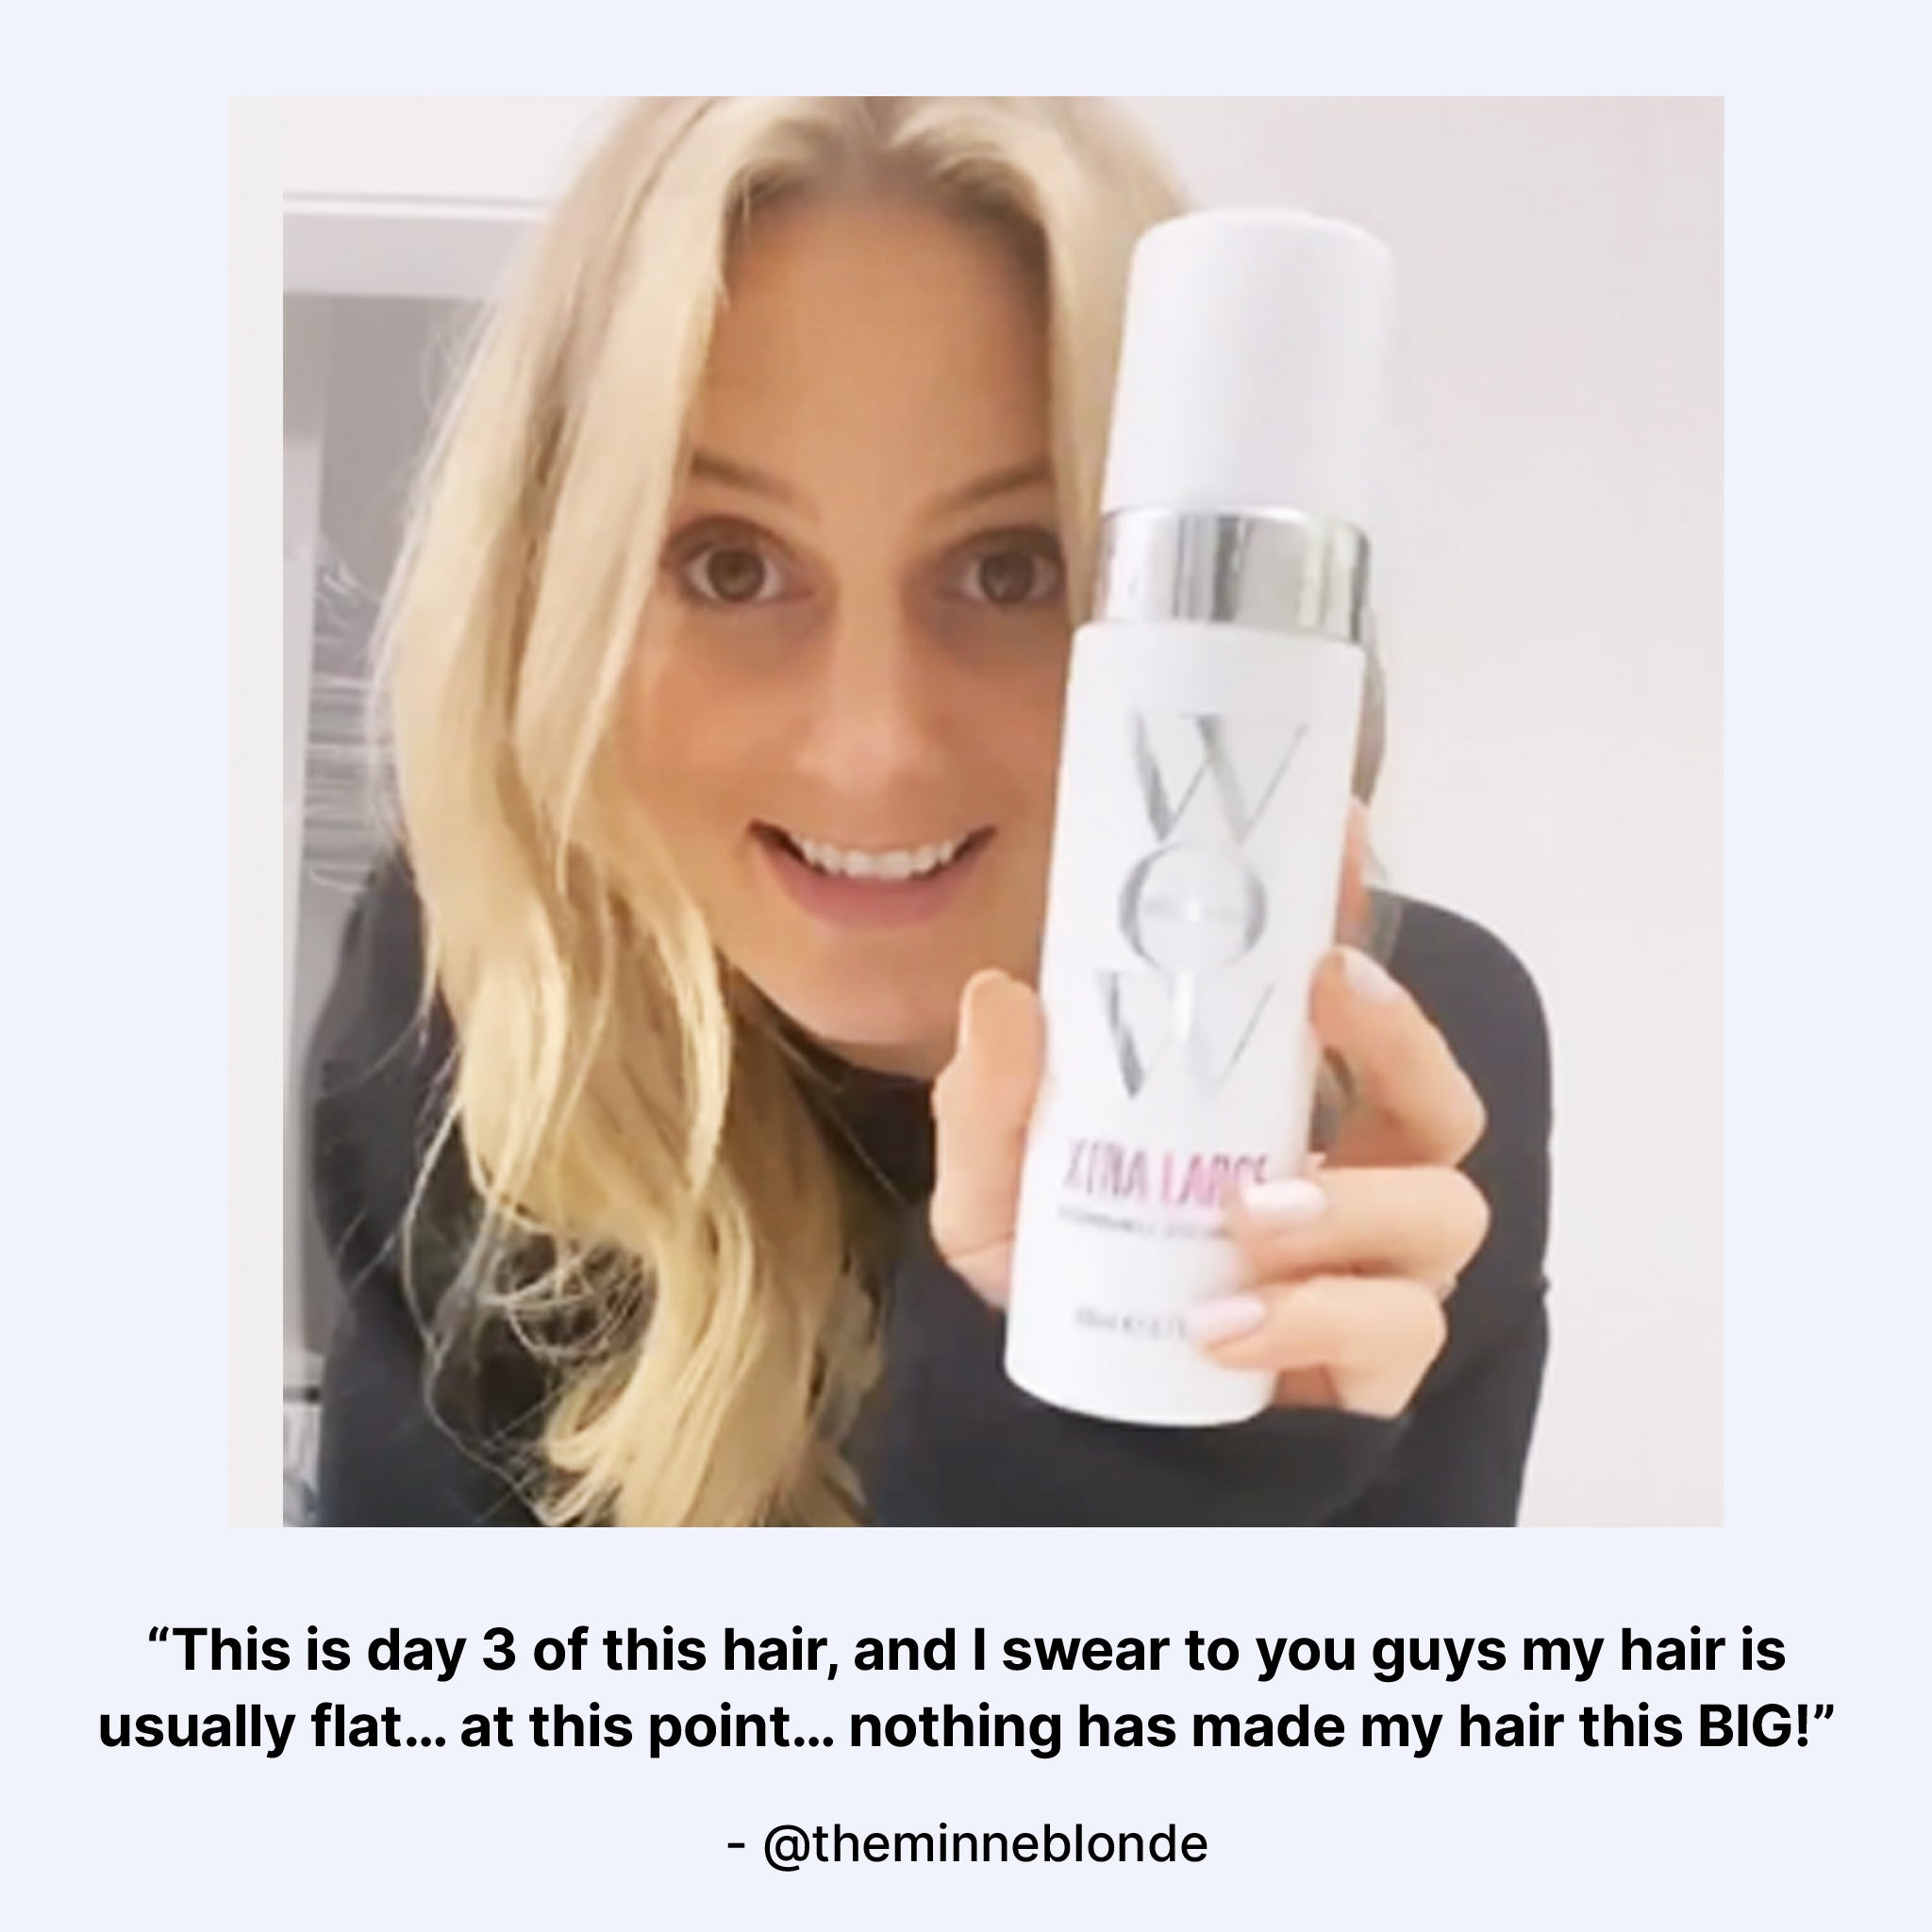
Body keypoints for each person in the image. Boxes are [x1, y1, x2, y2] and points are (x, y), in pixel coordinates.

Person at [308, 96, 1552, 1528]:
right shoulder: (477, 990)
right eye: (728, 566)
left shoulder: (1402, 1080)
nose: (874, 752)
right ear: (547, 591)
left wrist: (1173, 1480)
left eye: (1011, 568)